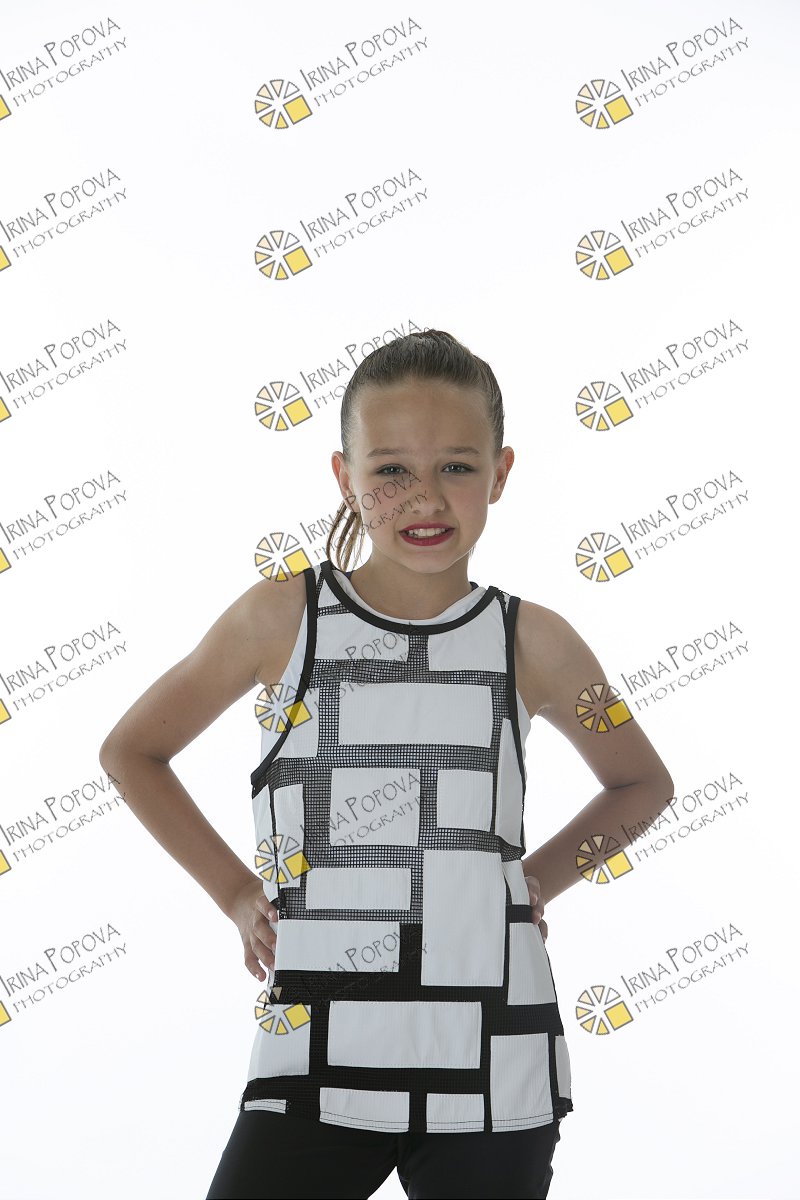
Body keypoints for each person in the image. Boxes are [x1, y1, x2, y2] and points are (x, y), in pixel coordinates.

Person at [99, 329, 674, 1199]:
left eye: (457, 466)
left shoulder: (536, 641)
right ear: (345, 476)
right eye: (392, 469)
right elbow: (132, 752)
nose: (425, 497)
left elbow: (642, 783)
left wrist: (535, 884)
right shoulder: (280, 620)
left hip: (494, 1059)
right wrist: (236, 894)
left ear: (501, 473)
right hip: (317, 1049)